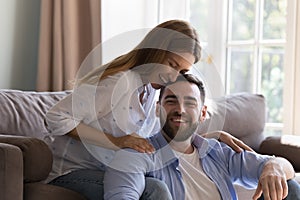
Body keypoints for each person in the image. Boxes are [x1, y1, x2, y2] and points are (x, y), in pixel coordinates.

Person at [45, 20, 251, 200]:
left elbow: (155, 141)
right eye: (172, 64)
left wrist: (206, 138)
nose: (174, 76)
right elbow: (56, 117)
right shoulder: (119, 83)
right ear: (156, 51)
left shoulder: (153, 91)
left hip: (118, 171)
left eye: (182, 71)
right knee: (154, 189)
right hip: (73, 172)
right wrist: (116, 141)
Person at [104, 73, 299, 200]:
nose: (180, 110)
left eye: (190, 103)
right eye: (171, 101)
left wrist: (273, 167)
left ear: (203, 113)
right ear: (157, 109)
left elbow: (285, 166)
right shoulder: (138, 155)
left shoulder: (217, 152)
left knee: (290, 187)